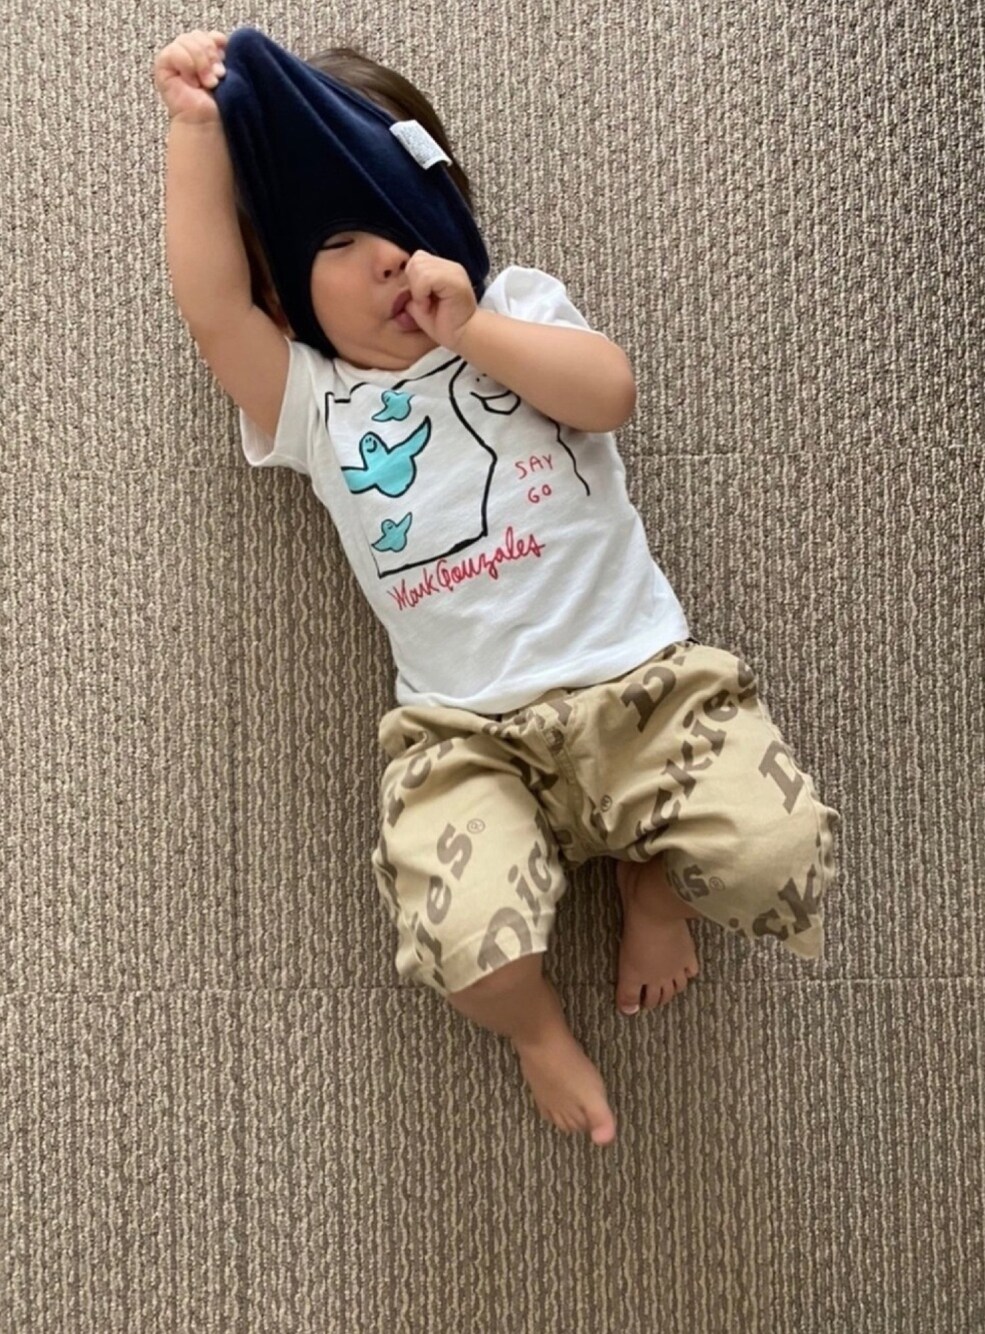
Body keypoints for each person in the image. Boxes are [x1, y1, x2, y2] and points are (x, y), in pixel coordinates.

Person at [153, 27, 841, 1147]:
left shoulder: (516, 308)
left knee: (774, 849)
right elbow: (209, 307)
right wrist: (197, 133)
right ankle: (535, 1028)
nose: (389, 260)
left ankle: (654, 886)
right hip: (466, 737)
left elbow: (608, 395)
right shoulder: (313, 401)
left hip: (645, 687)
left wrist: (475, 329)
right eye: (339, 241)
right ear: (283, 291)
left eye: (402, 221)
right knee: (462, 945)